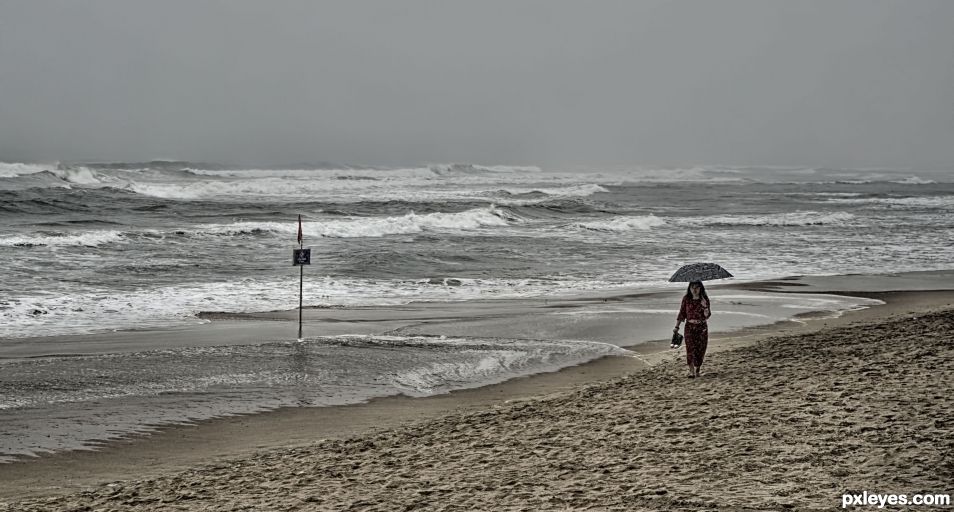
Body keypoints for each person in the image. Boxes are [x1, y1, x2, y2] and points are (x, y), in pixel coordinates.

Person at [673, 280, 711, 378]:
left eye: (697, 287)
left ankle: (698, 369)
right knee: (690, 349)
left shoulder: (704, 299)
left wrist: (705, 307)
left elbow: (707, 316)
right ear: (689, 288)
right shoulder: (686, 299)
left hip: (702, 328)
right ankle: (691, 371)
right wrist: (676, 327)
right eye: (692, 287)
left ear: (700, 288)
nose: (694, 290)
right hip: (689, 327)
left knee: (700, 350)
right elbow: (682, 313)